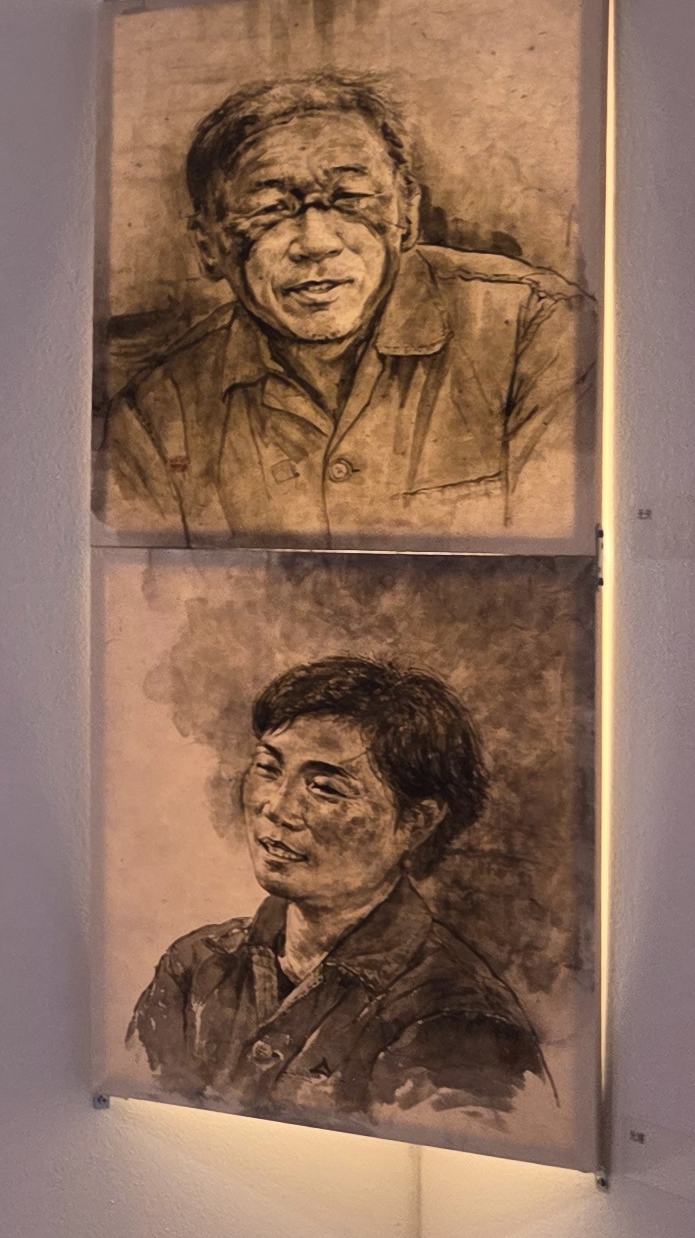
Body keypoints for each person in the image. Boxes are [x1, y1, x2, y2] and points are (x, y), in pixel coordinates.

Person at [103, 72, 584, 543]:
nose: (316, 243)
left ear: (407, 212)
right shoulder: (157, 414)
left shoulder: (539, 328)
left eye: (350, 198)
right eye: (270, 209)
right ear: (209, 245)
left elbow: (559, 567)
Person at [128, 656, 544, 1121]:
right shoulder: (197, 965)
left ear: (416, 822)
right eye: (268, 768)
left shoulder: (459, 1021)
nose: (277, 808)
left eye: (325, 787)